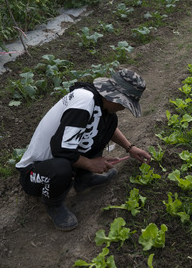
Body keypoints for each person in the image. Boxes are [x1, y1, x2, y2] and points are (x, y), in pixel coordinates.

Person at [15, 68, 151, 231]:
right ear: (117, 98)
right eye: (125, 105)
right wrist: (90, 163)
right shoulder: (84, 102)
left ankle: (83, 180)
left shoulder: (98, 103)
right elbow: (60, 149)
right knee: (61, 168)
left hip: (61, 158)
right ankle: (54, 205)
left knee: (109, 121)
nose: (124, 109)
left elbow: (108, 128)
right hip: (36, 174)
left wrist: (130, 148)